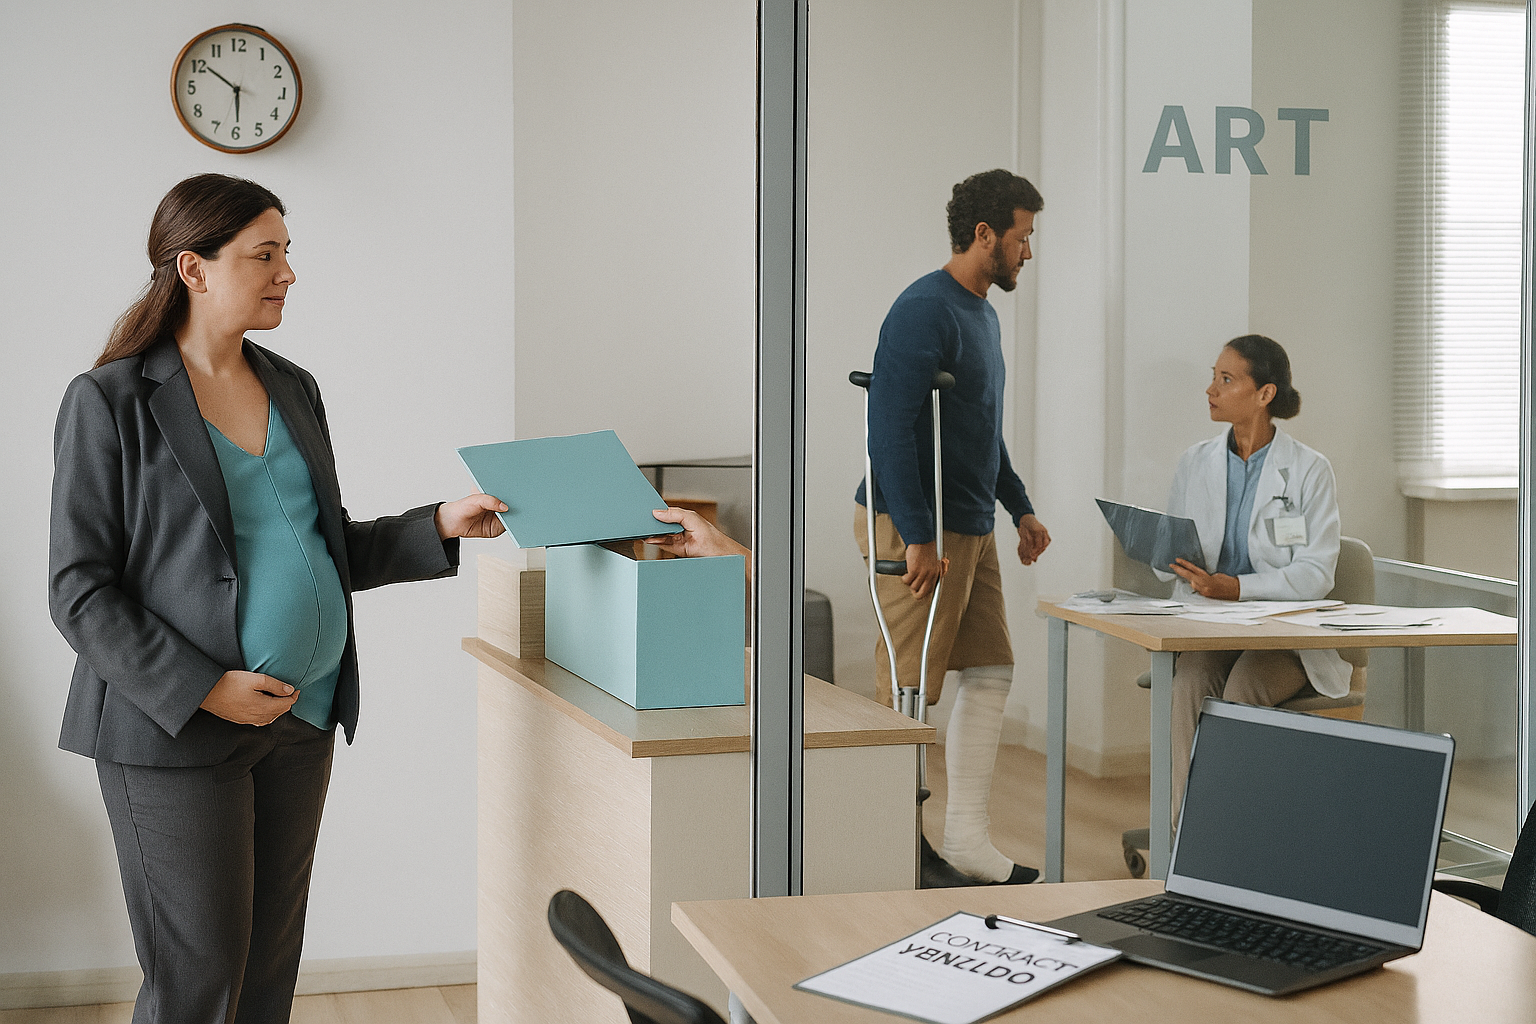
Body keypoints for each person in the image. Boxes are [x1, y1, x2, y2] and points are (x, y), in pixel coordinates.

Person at [48, 174, 507, 1024]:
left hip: (302, 719)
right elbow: (79, 591)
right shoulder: (109, 401)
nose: (287, 273)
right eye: (265, 255)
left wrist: (439, 523)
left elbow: (324, 542)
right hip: (175, 733)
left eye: (287, 253)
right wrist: (205, 688)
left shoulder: (292, 385)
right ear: (193, 268)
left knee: (265, 975)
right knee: (198, 982)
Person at [853, 169, 1052, 886]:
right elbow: (889, 430)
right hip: (917, 524)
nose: (1028, 252)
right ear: (984, 234)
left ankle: (966, 840)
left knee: (992, 667)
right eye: (1023, 237)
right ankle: (893, 849)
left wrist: (1020, 507)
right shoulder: (923, 310)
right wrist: (917, 535)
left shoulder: (981, 313)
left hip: (970, 522)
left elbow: (979, 429)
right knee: (906, 692)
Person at [1160, 334, 1351, 802]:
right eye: (1213, 377)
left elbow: (1315, 574)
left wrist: (1237, 588)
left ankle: (1231, 827)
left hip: (1285, 636)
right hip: (1212, 629)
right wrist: (1164, 554)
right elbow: (1172, 555)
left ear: (1265, 394)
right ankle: (1186, 833)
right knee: (1189, 683)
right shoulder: (1194, 462)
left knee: (1244, 687)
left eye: (1226, 380)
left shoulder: (1308, 470)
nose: (1211, 390)